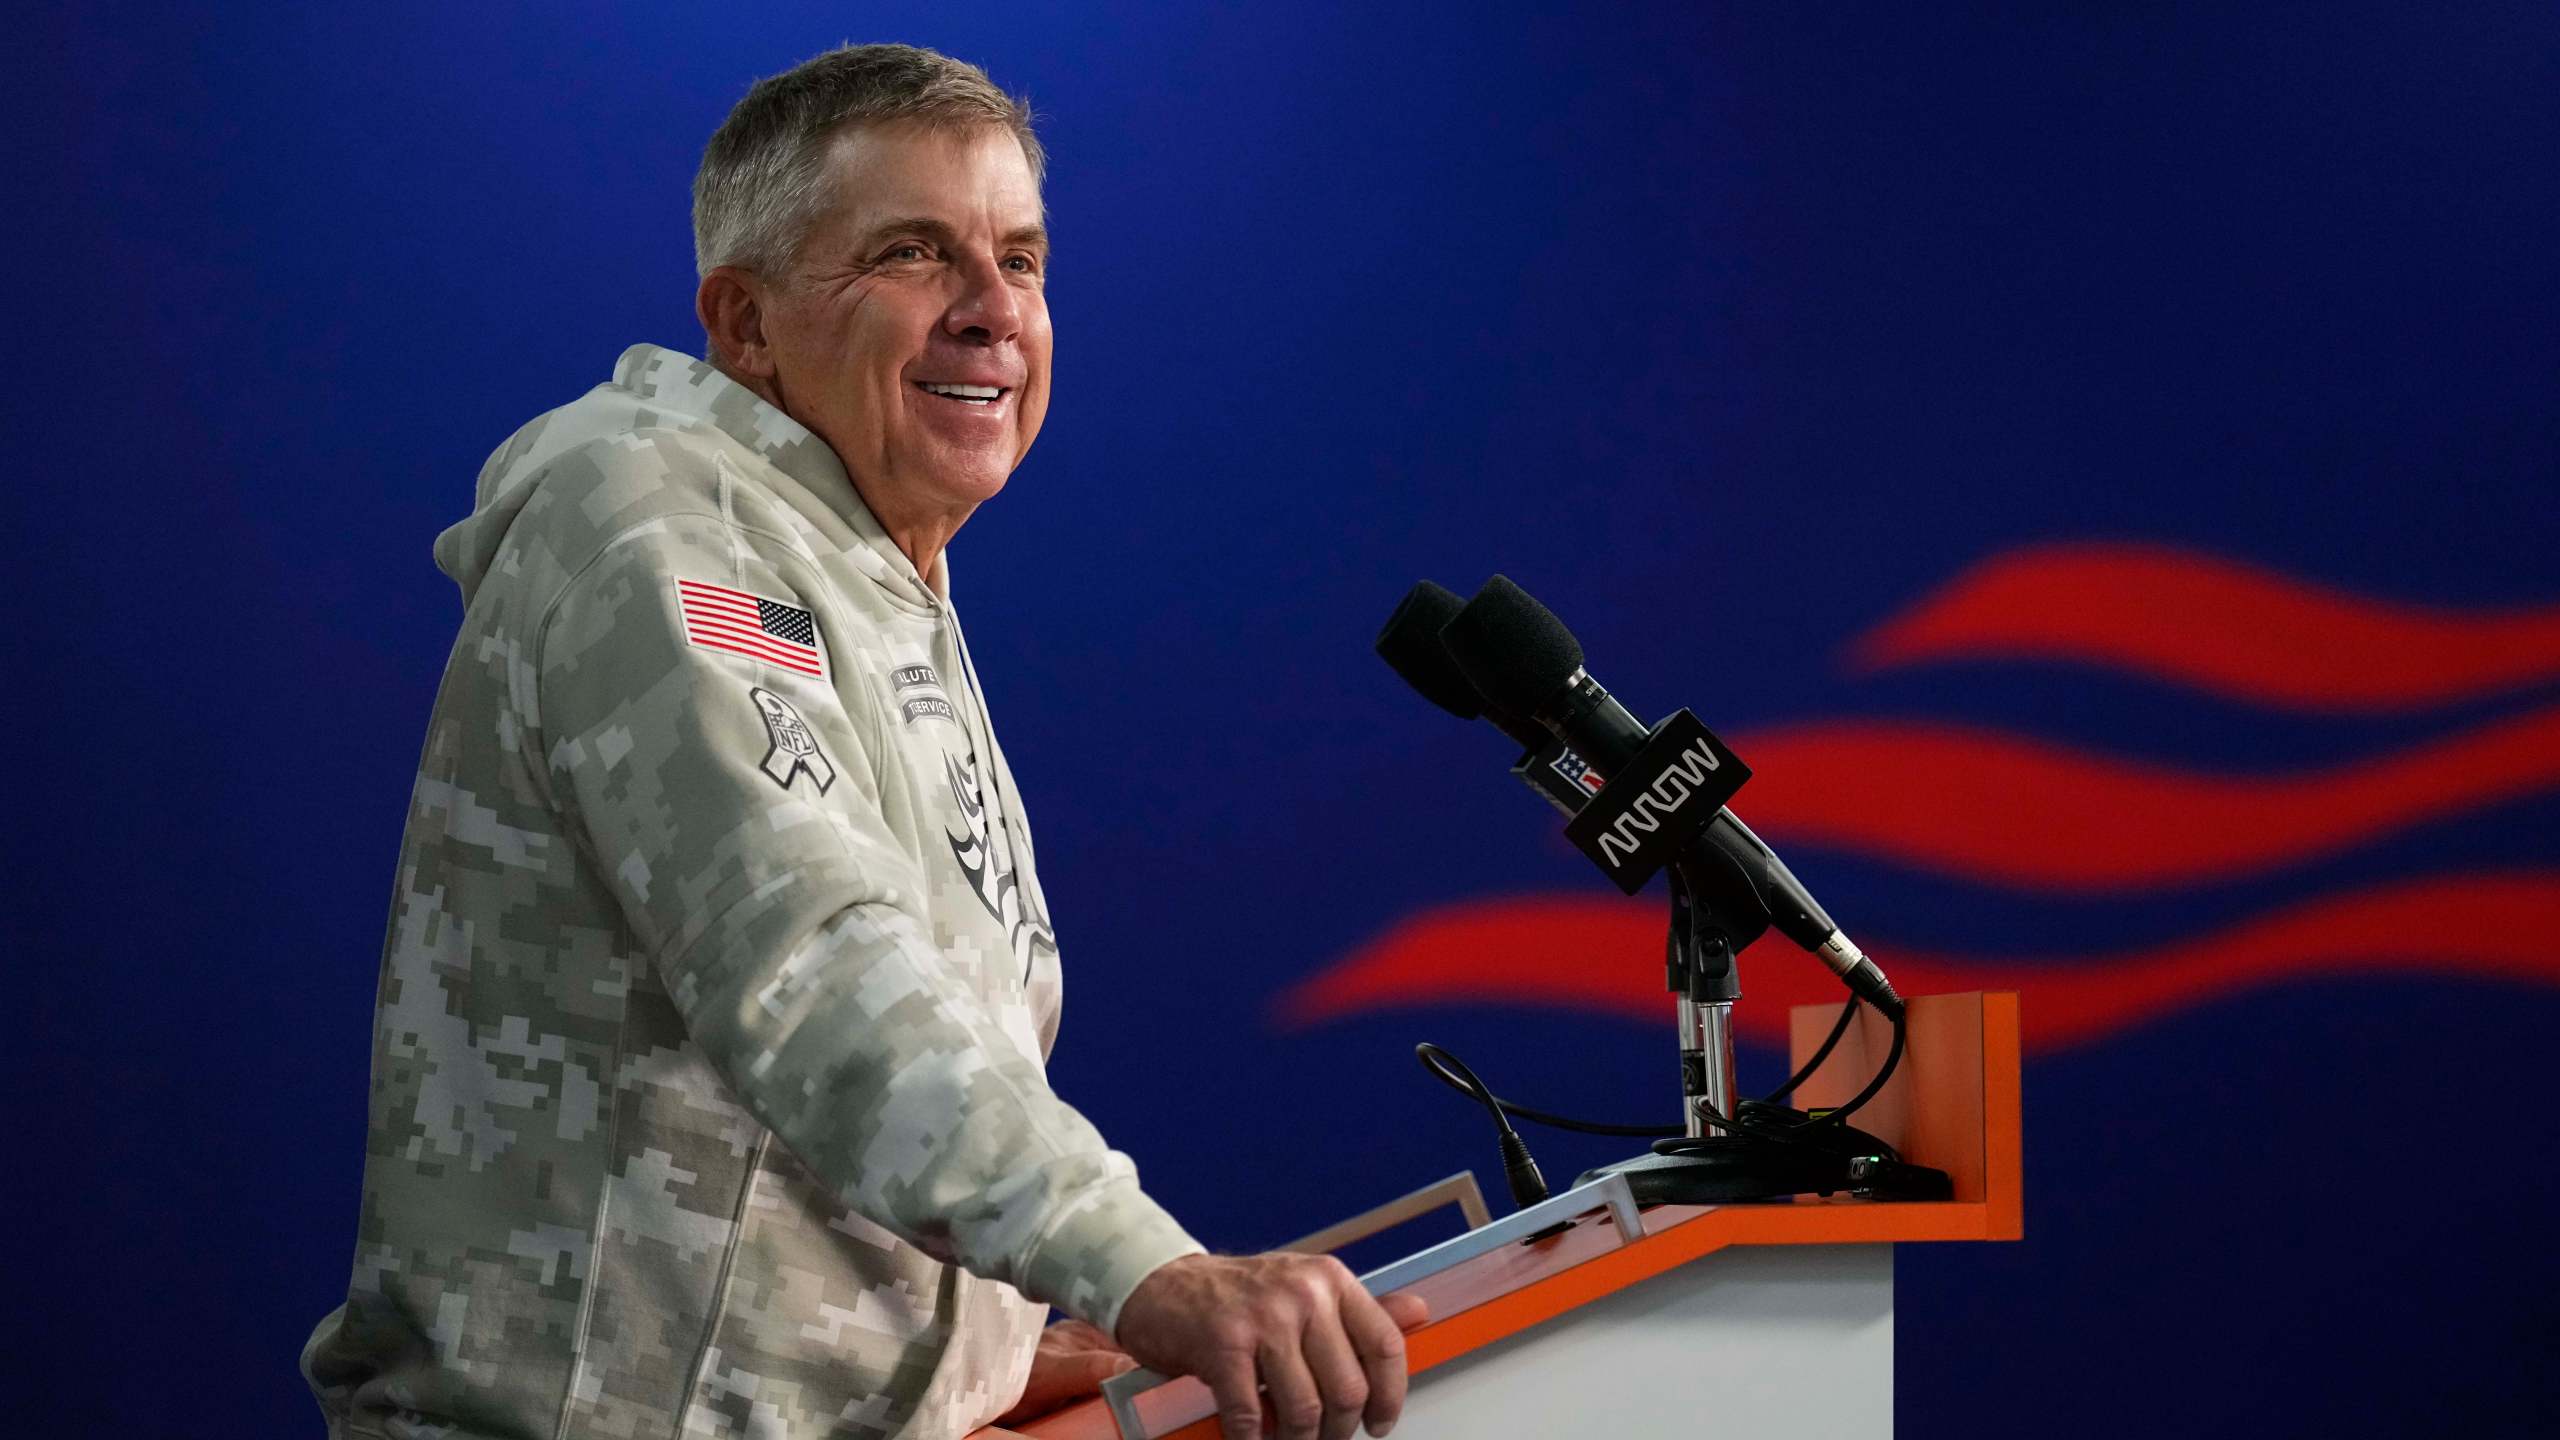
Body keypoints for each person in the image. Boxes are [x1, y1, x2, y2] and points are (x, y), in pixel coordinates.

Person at [302, 43, 1421, 1440]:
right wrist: (1149, 1270)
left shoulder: (865, 562)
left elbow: (915, 1045)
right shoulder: (655, 521)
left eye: (1022, 258)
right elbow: (818, 966)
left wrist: (989, 1354)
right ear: (747, 323)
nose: (992, 312)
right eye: (914, 253)